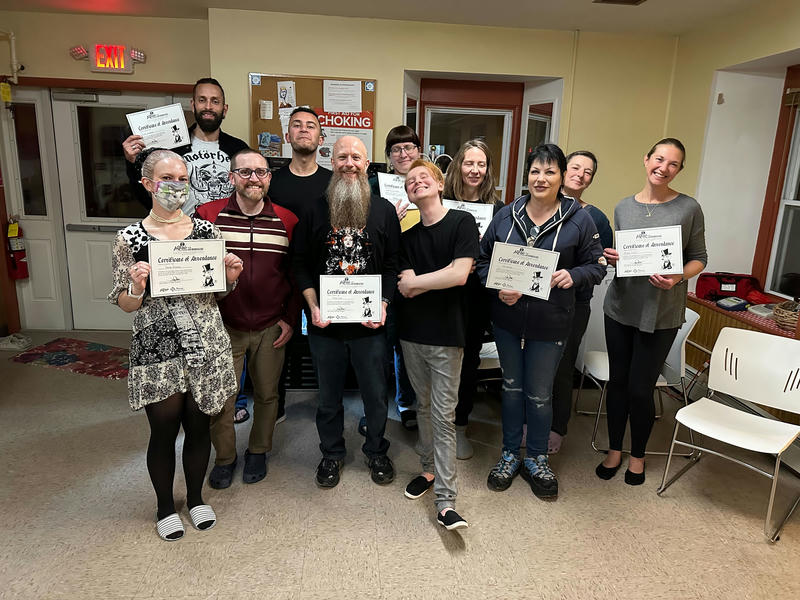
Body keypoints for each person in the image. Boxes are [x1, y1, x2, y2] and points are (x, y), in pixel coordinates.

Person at [107, 149, 242, 541]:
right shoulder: (129, 238)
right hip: (158, 347)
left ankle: (197, 498)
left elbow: (215, 295)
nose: (176, 186)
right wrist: (137, 285)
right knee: (163, 431)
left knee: (200, 427)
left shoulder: (206, 233)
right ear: (147, 183)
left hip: (205, 343)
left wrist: (230, 277)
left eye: (183, 179)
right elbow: (124, 302)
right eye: (168, 178)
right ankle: (166, 506)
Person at [477, 144, 605, 499]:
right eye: (535, 171)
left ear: (562, 177)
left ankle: (535, 457)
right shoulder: (506, 214)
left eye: (550, 172)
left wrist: (573, 275)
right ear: (527, 175)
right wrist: (497, 285)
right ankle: (508, 454)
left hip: (551, 321)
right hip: (507, 319)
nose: (541, 178)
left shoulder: (579, 218)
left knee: (538, 393)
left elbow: (597, 265)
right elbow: (482, 260)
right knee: (511, 387)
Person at [597, 138, 707, 486]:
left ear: (679, 170)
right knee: (617, 384)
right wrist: (613, 256)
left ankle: (639, 455)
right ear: (646, 160)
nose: (664, 167)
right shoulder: (623, 207)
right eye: (659, 159)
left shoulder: (688, 208)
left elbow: (699, 258)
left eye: (673, 164)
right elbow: (625, 256)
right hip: (620, 308)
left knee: (641, 389)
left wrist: (678, 277)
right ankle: (615, 449)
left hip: (660, 314)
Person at [292, 136, 400, 488]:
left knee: (375, 394)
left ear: (367, 164)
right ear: (332, 161)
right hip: (326, 324)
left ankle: (376, 449)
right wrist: (312, 304)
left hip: (370, 325)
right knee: (328, 397)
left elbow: (392, 265)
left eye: (357, 157)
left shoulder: (383, 211)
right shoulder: (314, 209)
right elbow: (300, 263)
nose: (349, 163)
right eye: (342, 157)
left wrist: (383, 303)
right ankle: (332, 454)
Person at [196, 149, 300, 489]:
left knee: (268, 395)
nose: (253, 178)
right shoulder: (208, 216)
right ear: (231, 177)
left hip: (272, 325)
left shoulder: (287, 220)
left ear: (269, 177)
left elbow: (295, 276)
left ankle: (259, 450)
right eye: (244, 172)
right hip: (223, 325)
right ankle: (225, 457)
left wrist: (289, 317)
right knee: (222, 399)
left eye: (260, 172)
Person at [398, 159, 479, 530]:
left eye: (423, 177)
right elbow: (403, 286)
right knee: (423, 406)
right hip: (411, 334)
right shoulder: (407, 238)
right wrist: (429, 281)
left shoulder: (462, 222)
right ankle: (428, 471)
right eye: (410, 180)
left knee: (443, 417)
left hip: (447, 337)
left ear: (439, 183)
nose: (416, 182)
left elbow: (460, 274)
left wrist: (420, 283)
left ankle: (446, 503)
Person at [441, 139, 506, 460]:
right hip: (441, 295)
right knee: (439, 361)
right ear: (458, 166)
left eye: (481, 164)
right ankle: (436, 427)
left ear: (488, 170)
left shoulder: (499, 211)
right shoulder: (441, 202)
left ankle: (460, 425)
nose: (475, 170)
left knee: (467, 363)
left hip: (477, 296)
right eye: (469, 163)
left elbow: (504, 257)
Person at [268, 107, 332, 424]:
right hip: (278, 276)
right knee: (278, 341)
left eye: (311, 126)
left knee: (324, 343)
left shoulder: (333, 182)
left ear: (321, 137)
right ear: (287, 135)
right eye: (297, 125)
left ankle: (328, 404)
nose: (304, 130)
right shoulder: (272, 182)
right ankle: (275, 405)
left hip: (321, 279)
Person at [549, 150, 613, 454]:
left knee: (562, 367)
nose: (580, 174)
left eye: (588, 171)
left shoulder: (596, 217)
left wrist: (575, 276)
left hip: (575, 304)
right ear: (563, 170)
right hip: (536, 300)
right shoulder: (540, 204)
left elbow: (601, 265)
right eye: (575, 167)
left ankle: (556, 428)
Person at [367, 125, 424, 433]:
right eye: (397, 149)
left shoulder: (426, 181)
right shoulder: (373, 184)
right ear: (388, 156)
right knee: (379, 347)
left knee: (407, 347)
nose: (404, 154)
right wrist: (389, 221)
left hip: (418, 276)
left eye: (409, 147)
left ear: (418, 151)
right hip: (382, 275)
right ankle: (373, 408)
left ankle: (406, 404)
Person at [123, 77, 249, 215]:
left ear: (224, 109)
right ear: (193, 105)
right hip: (182, 232)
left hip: (228, 231)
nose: (208, 106)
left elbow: (250, 195)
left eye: (215, 101)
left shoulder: (239, 149)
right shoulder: (171, 149)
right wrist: (133, 163)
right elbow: (149, 199)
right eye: (202, 100)